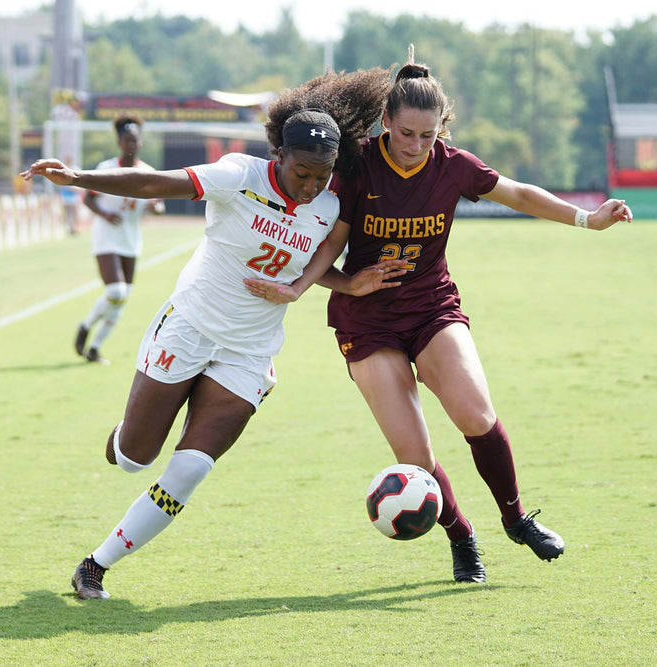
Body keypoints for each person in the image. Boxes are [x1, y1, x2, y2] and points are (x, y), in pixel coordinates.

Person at [245, 53, 632, 583]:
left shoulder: (453, 165)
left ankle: (517, 520)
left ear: (441, 129)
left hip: (431, 308)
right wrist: (301, 287)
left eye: (428, 136)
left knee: (476, 414)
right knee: (415, 453)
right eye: (407, 133)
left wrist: (587, 218)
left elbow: (516, 193)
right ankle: (461, 535)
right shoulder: (357, 165)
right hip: (367, 322)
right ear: (386, 122)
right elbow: (330, 242)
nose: (417, 145)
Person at [20, 67, 400, 600]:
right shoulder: (238, 175)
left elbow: (307, 264)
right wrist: (78, 177)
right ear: (279, 157)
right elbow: (158, 183)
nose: (312, 185)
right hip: (190, 329)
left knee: (192, 466)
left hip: (249, 353)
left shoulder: (331, 206)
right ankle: (129, 429)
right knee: (134, 456)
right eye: (303, 173)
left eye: (323, 174)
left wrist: (349, 284)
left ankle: (95, 566)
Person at [73, 115, 160, 364]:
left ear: (140, 143)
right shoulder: (106, 168)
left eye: (135, 140)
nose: (131, 144)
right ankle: (85, 326)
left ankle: (95, 347)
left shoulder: (148, 172)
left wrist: (156, 208)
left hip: (131, 238)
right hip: (106, 235)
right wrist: (105, 214)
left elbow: (156, 204)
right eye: (126, 140)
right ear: (119, 143)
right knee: (116, 290)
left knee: (123, 298)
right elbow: (88, 198)